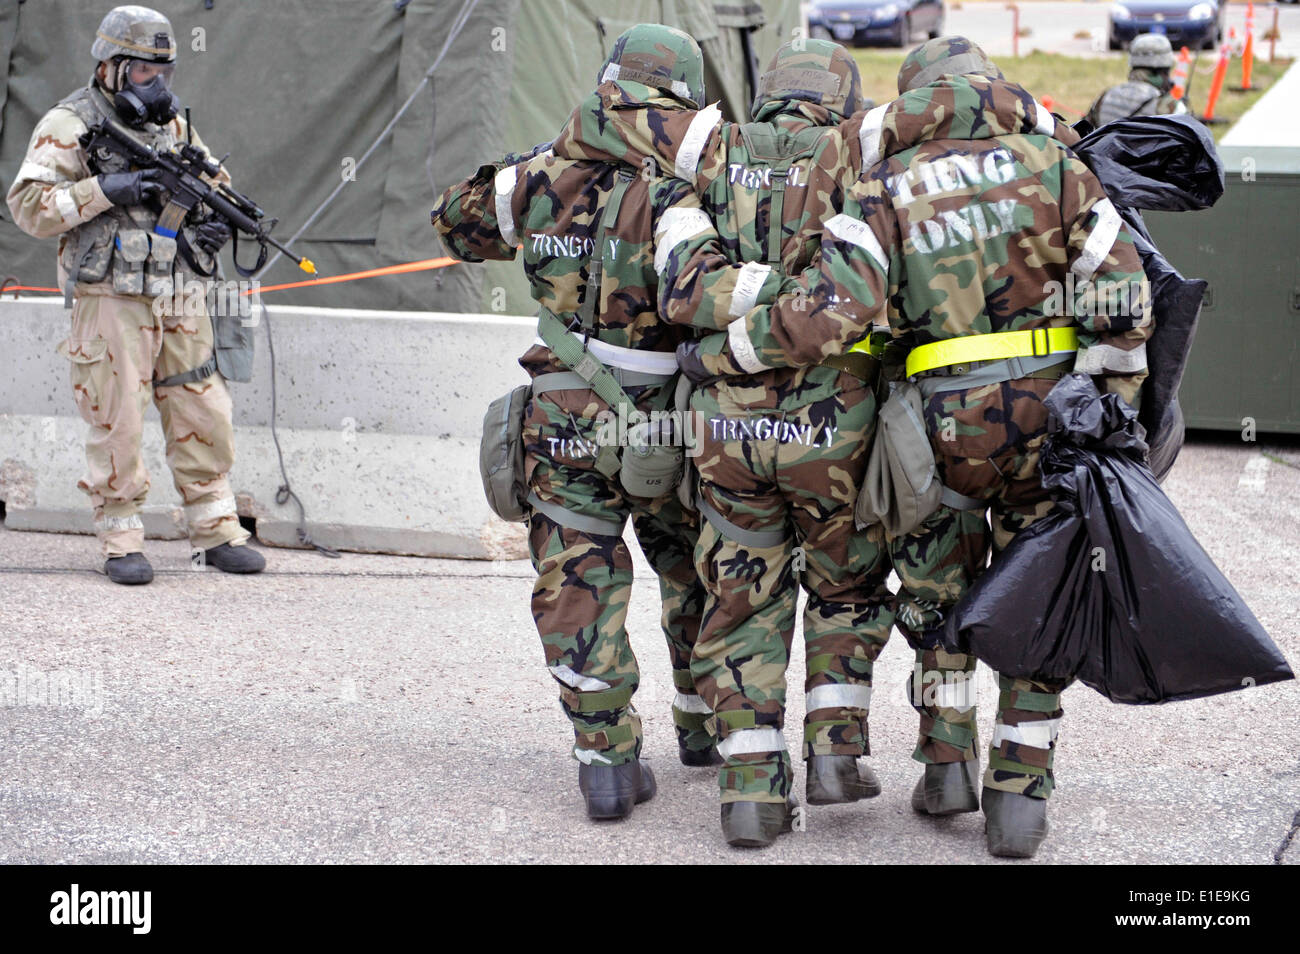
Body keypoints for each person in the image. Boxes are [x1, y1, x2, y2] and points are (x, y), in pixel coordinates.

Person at [679, 37, 1151, 857]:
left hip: (937, 431)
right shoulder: (1059, 163)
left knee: (936, 589)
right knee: (1039, 588)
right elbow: (1124, 292)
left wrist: (729, 355)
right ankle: (1020, 796)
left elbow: (833, 313)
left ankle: (945, 767)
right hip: (1048, 418)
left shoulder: (885, 183)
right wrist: (1110, 407)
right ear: (991, 86)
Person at [554, 39, 894, 847]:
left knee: (741, 594)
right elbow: (864, 295)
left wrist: (720, 348)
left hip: (726, 431)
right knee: (846, 583)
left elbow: (683, 288)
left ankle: (749, 791)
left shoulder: (708, 157)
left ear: (766, 94)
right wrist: (803, 298)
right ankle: (836, 752)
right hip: (830, 426)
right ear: (842, 99)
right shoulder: (859, 160)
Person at [432, 24, 769, 821]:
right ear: (685, 93)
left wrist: (540, 174)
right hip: (677, 416)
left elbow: (456, 223)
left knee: (577, 580)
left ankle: (604, 763)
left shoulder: (540, 171)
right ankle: (703, 729)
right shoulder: (700, 177)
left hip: (564, 412)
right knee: (695, 568)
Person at [6, 5, 264, 585]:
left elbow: (213, 184)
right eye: (148, 73)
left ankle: (215, 529)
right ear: (113, 67)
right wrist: (103, 189)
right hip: (110, 294)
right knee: (117, 413)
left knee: (203, 406)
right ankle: (121, 537)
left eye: (165, 73)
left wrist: (211, 223)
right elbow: (27, 208)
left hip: (178, 290)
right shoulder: (68, 124)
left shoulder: (171, 128)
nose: (159, 85)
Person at [1086, 33, 1189, 128]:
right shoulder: (1169, 106)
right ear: (1163, 72)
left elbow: (1084, 135)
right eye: (1167, 72)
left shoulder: (1104, 98)